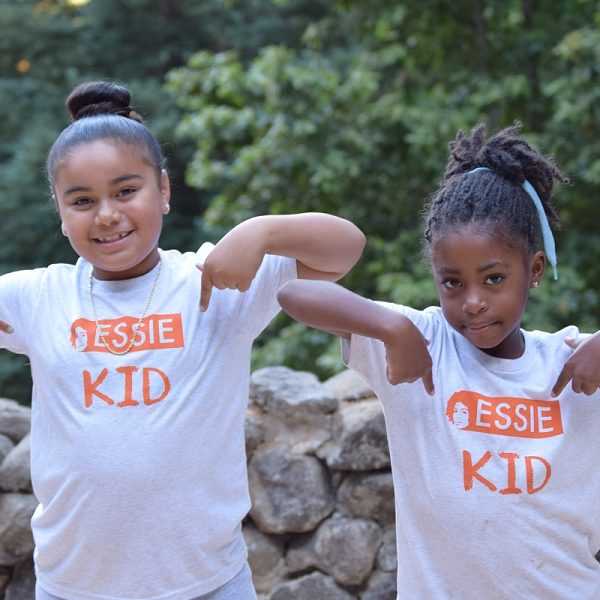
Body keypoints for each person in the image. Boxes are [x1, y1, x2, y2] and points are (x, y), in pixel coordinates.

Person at [0, 80, 366, 600]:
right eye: (81, 200)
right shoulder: (36, 297)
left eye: (126, 191)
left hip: (209, 584)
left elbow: (345, 248)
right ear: (60, 212)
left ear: (164, 190)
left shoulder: (214, 281)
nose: (106, 213)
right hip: (73, 587)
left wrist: (260, 232)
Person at [277, 124, 600, 599]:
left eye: (493, 279)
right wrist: (391, 329)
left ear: (533, 271)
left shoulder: (572, 362)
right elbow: (294, 293)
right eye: (452, 283)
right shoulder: (425, 345)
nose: (472, 302)